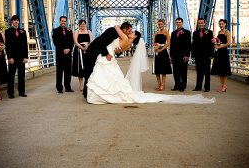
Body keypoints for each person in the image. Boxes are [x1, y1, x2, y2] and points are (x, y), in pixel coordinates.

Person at [86, 27, 215, 104]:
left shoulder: (125, 39)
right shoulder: (127, 42)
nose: (130, 31)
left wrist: (117, 28)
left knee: (107, 78)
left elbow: (116, 28)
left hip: (108, 58)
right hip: (109, 58)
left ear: (134, 36)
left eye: (132, 31)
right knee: (111, 79)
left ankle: (103, 94)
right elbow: (117, 49)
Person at [83, 22, 133, 98]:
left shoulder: (119, 35)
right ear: (124, 29)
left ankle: (89, 93)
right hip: (93, 51)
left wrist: (118, 52)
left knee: (94, 73)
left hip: (100, 53)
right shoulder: (112, 31)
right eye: (129, 31)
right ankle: (86, 93)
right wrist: (106, 54)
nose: (129, 32)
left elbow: (114, 47)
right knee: (89, 72)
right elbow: (101, 42)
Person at [5, 15, 28, 98]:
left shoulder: (23, 31)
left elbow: (25, 45)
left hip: (22, 57)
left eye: (17, 20)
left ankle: (22, 92)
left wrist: (26, 57)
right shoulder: (7, 31)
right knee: (11, 76)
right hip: (13, 57)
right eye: (14, 20)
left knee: (22, 76)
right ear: (12, 22)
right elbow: (7, 45)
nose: (16, 21)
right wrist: (9, 57)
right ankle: (10, 93)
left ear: (19, 21)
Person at [191, 18, 214, 92]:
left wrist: (211, 54)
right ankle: (198, 87)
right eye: (199, 23)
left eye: (202, 23)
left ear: (204, 23)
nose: (200, 24)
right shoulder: (195, 33)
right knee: (199, 71)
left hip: (207, 55)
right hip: (198, 55)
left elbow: (211, 44)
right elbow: (193, 45)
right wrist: (193, 55)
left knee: (207, 72)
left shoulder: (209, 32)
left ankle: (207, 87)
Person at [52, 16, 74, 93]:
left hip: (68, 54)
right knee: (59, 72)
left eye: (65, 21)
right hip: (60, 54)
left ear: (66, 22)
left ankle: (68, 87)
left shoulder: (69, 31)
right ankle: (59, 88)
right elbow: (56, 42)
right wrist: (63, 49)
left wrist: (69, 49)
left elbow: (72, 42)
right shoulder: (55, 31)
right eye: (62, 21)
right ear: (59, 21)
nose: (63, 22)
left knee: (68, 71)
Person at [169, 17, 191, 92]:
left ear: (182, 23)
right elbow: (171, 45)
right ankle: (177, 85)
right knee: (176, 71)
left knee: (183, 71)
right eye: (177, 22)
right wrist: (171, 55)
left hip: (183, 55)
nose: (178, 24)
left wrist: (187, 55)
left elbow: (188, 45)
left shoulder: (187, 32)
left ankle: (183, 86)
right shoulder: (173, 33)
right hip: (175, 55)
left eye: (179, 22)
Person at [211, 19, 232, 92]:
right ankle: (221, 85)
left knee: (224, 70)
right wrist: (215, 44)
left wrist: (220, 46)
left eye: (222, 24)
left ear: (225, 24)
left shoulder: (227, 32)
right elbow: (218, 42)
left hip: (223, 52)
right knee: (220, 70)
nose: (221, 25)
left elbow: (229, 43)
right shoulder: (219, 32)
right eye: (219, 24)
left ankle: (225, 86)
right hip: (219, 52)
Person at [72, 20, 93, 92]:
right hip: (78, 50)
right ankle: (81, 84)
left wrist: (87, 47)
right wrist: (82, 48)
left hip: (87, 50)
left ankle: (86, 84)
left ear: (86, 25)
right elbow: (75, 42)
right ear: (79, 25)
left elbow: (91, 41)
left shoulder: (89, 32)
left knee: (88, 67)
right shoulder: (76, 32)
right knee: (80, 68)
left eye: (84, 24)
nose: (82, 26)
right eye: (81, 25)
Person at [152, 19, 172, 91]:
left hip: (163, 52)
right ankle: (159, 84)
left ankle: (163, 85)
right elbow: (154, 42)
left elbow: (168, 43)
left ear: (164, 24)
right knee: (157, 69)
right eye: (159, 24)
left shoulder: (166, 32)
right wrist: (155, 48)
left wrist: (161, 49)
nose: (160, 25)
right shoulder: (156, 33)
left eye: (161, 24)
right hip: (157, 52)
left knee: (163, 69)